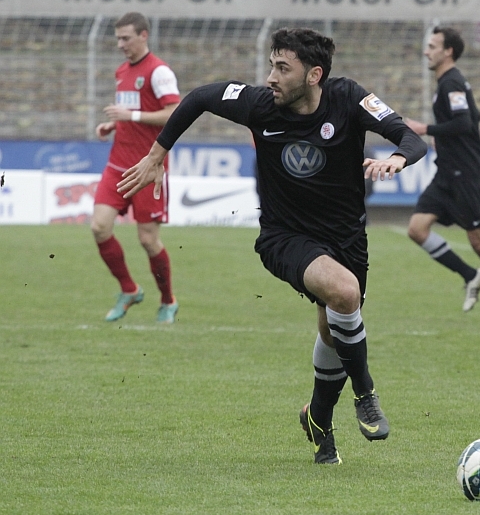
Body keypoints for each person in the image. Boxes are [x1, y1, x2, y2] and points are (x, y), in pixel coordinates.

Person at [118, 28, 427, 464]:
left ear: (314, 74)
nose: (271, 77)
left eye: (283, 68)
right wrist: (157, 155)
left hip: (347, 239)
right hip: (285, 237)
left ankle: (319, 418)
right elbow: (200, 97)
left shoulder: (349, 99)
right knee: (343, 293)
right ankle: (366, 393)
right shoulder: (260, 106)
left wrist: (398, 158)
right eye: (271, 65)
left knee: (333, 327)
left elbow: (412, 138)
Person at [404, 26, 480, 325]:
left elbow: (464, 122)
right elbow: (474, 116)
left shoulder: (452, 83)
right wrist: (441, 138)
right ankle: (471, 275)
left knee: (479, 241)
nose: (426, 51)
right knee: (417, 229)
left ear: (448, 52)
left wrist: (426, 129)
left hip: (466, 175)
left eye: (432, 46)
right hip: (446, 173)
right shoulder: (448, 83)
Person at [92, 12, 181, 324]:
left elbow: (174, 113)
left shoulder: (159, 72)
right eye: (117, 38)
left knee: (147, 240)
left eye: (126, 38)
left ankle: (168, 300)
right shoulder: (121, 71)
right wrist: (113, 125)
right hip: (118, 164)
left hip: (148, 166)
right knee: (99, 227)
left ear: (144, 35)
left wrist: (130, 116)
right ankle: (129, 289)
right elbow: (131, 115)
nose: (120, 44)